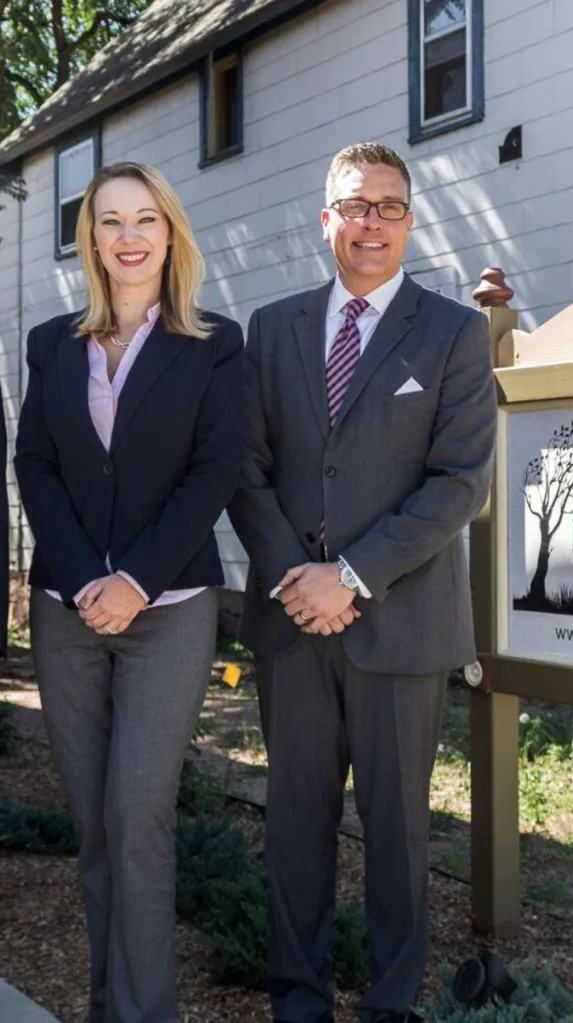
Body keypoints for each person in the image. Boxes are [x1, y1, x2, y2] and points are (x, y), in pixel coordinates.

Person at [227, 141, 497, 1023]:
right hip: (290, 623)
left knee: (397, 834)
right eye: (354, 205)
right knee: (295, 828)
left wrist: (348, 576)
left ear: (410, 220)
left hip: (401, 626)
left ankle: (390, 1006)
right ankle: (297, 1001)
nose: (370, 222)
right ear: (326, 219)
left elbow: (460, 483)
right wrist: (299, 581)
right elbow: (245, 465)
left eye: (387, 205)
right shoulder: (271, 329)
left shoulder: (454, 332)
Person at [14, 161, 244, 1023]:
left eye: (145, 217)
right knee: (96, 829)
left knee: (137, 815)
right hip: (67, 614)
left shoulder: (213, 342)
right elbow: (34, 462)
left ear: (170, 230)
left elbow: (214, 472)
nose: (129, 236)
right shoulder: (51, 342)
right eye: (110, 221)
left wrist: (136, 580)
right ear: (92, 239)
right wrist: (83, 580)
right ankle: (110, 1004)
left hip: (170, 611)